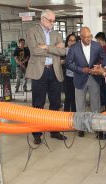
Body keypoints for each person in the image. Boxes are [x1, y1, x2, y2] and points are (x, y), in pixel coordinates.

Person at [26, 9, 67, 144]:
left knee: (55, 103)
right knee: (38, 103)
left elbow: (62, 51)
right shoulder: (32, 31)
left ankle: (54, 130)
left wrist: (46, 47)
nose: (53, 23)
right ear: (43, 19)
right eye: (51, 20)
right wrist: (54, 48)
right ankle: (37, 133)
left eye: (54, 21)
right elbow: (34, 50)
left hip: (54, 71)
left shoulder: (56, 33)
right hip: (40, 71)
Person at [66, 27, 106, 137]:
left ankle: (97, 126)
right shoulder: (74, 48)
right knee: (80, 104)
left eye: (90, 36)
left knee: (96, 103)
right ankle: (81, 127)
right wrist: (80, 69)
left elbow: (105, 58)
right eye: (86, 37)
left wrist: (99, 66)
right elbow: (68, 64)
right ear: (81, 37)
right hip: (80, 78)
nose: (89, 39)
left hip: (94, 78)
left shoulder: (96, 45)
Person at [95, 32, 106, 109]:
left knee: (105, 93)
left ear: (100, 39)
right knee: (104, 92)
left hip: (104, 73)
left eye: (97, 40)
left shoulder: (105, 49)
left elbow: (104, 62)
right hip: (104, 73)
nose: (97, 42)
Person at [63, 34, 77, 112]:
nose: (72, 42)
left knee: (75, 97)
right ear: (67, 41)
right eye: (70, 40)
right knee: (68, 97)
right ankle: (66, 114)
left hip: (76, 77)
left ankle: (74, 116)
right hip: (67, 76)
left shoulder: (78, 51)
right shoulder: (64, 51)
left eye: (74, 40)